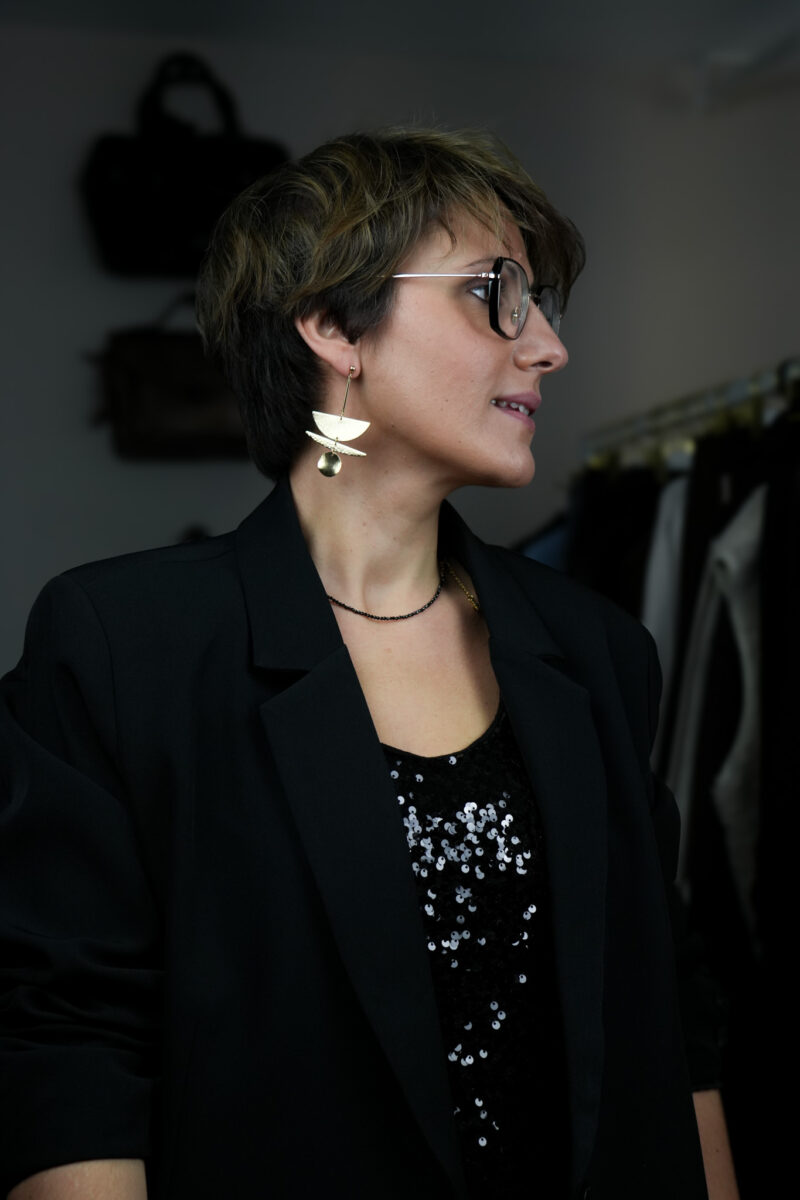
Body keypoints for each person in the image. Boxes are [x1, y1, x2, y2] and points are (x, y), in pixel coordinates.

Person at [0, 128, 738, 1199]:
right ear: (334, 325)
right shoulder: (124, 647)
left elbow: (672, 1012)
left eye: (540, 304)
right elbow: (66, 1048)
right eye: (494, 294)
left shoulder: (596, 651)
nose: (546, 347)